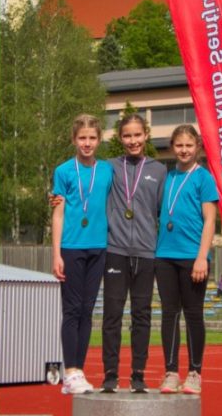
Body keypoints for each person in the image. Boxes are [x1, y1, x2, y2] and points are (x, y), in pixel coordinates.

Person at [101, 113, 167, 393]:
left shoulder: (160, 170)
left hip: (147, 252)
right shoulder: (109, 168)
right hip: (115, 250)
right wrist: (59, 197)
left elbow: (166, 211)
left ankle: (138, 374)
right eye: (127, 136)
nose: (132, 141)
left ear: (146, 135)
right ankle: (110, 374)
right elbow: (89, 192)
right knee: (112, 314)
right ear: (120, 138)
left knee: (142, 315)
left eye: (137, 135)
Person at [50, 114, 114, 395]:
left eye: (92, 138)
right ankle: (70, 371)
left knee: (88, 311)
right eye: (82, 138)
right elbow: (58, 212)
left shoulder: (107, 171)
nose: (87, 143)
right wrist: (56, 254)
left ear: (99, 140)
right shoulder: (63, 171)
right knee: (72, 310)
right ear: (73, 140)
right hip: (71, 247)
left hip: (98, 247)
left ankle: (79, 371)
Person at [154, 124, 218, 395]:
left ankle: (194, 372)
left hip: (193, 256)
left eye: (189, 145)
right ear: (172, 147)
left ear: (198, 148)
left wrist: (202, 257)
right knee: (169, 314)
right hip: (164, 255)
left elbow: (210, 219)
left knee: (193, 314)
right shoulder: (166, 178)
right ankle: (170, 371)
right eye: (179, 145)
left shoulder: (204, 178)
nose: (183, 150)